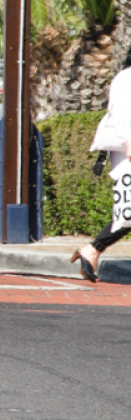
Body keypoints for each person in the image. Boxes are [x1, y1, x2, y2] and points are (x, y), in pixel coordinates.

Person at [72, 53, 131, 281]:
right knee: (128, 209)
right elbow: (123, 114)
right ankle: (93, 249)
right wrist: (129, 141)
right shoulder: (127, 77)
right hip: (126, 148)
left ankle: (92, 250)